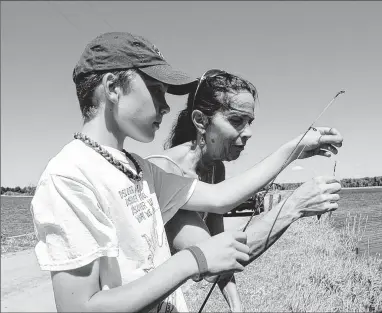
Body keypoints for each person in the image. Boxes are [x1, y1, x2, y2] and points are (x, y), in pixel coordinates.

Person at [30, 32, 343, 313]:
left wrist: (295, 149)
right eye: (156, 90)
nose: (165, 107)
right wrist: (193, 259)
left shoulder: (140, 168)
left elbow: (221, 199)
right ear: (112, 87)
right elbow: (80, 308)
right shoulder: (69, 176)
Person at [146, 69, 343, 311]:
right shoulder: (166, 172)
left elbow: (217, 240)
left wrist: (236, 306)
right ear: (200, 121)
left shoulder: (214, 169)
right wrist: (294, 206)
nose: (248, 132)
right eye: (236, 120)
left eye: (249, 122)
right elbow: (215, 262)